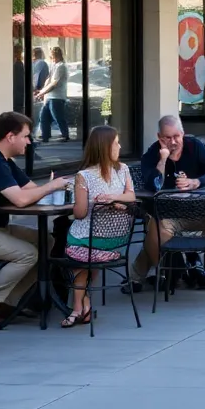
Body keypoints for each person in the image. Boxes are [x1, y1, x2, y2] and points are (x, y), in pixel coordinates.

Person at [0, 112, 72, 328]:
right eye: (26, 136)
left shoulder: (4, 161)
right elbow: (20, 199)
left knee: (47, 242)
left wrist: (47, 189)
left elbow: (30, 190)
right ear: (10, 137)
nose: (29, 141)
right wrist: (52, 187)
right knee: (29, 254)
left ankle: (5, 302)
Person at [125, 115, 205, 292]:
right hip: (166, 216)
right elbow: (153, 185)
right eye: (167, 137)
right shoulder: (152, 154)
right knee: (155, 233)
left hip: (197, 212)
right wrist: (163, 159)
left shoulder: (194, 146)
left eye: (177, 136)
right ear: (159, 137)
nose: (173, 141)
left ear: (183, 134)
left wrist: (196, 182)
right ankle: (151, 274)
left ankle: (193, 258)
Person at [62, 125, 134, 328]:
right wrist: (115, 198)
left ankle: (78, 308)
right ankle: (84, 305)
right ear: (105, 147)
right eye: (117, 142)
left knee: (76, 252)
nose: (120, 146)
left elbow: (80, 213)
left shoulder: (84, 176)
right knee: (87, 255)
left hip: (90, 241)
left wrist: (74, 203)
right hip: (116, 241)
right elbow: (132, 196)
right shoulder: (123, 170)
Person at [35, 46, 70, 142]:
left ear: (55, 55)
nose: (50, 58)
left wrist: (42, 92)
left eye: (51, 56)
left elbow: (54, 84)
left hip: (57, 97)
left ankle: (65, 135)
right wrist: (42, 91)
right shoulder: (53, 66)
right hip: (49, 97)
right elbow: (48, 80)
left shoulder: (61, 66)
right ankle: (45, 136)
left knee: (58, 117)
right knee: (43, 117)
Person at [12, 45, 27, 116]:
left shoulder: (17, 64)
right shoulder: (18, 64)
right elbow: (21, 83)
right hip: (18, 97)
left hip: (17, 97)